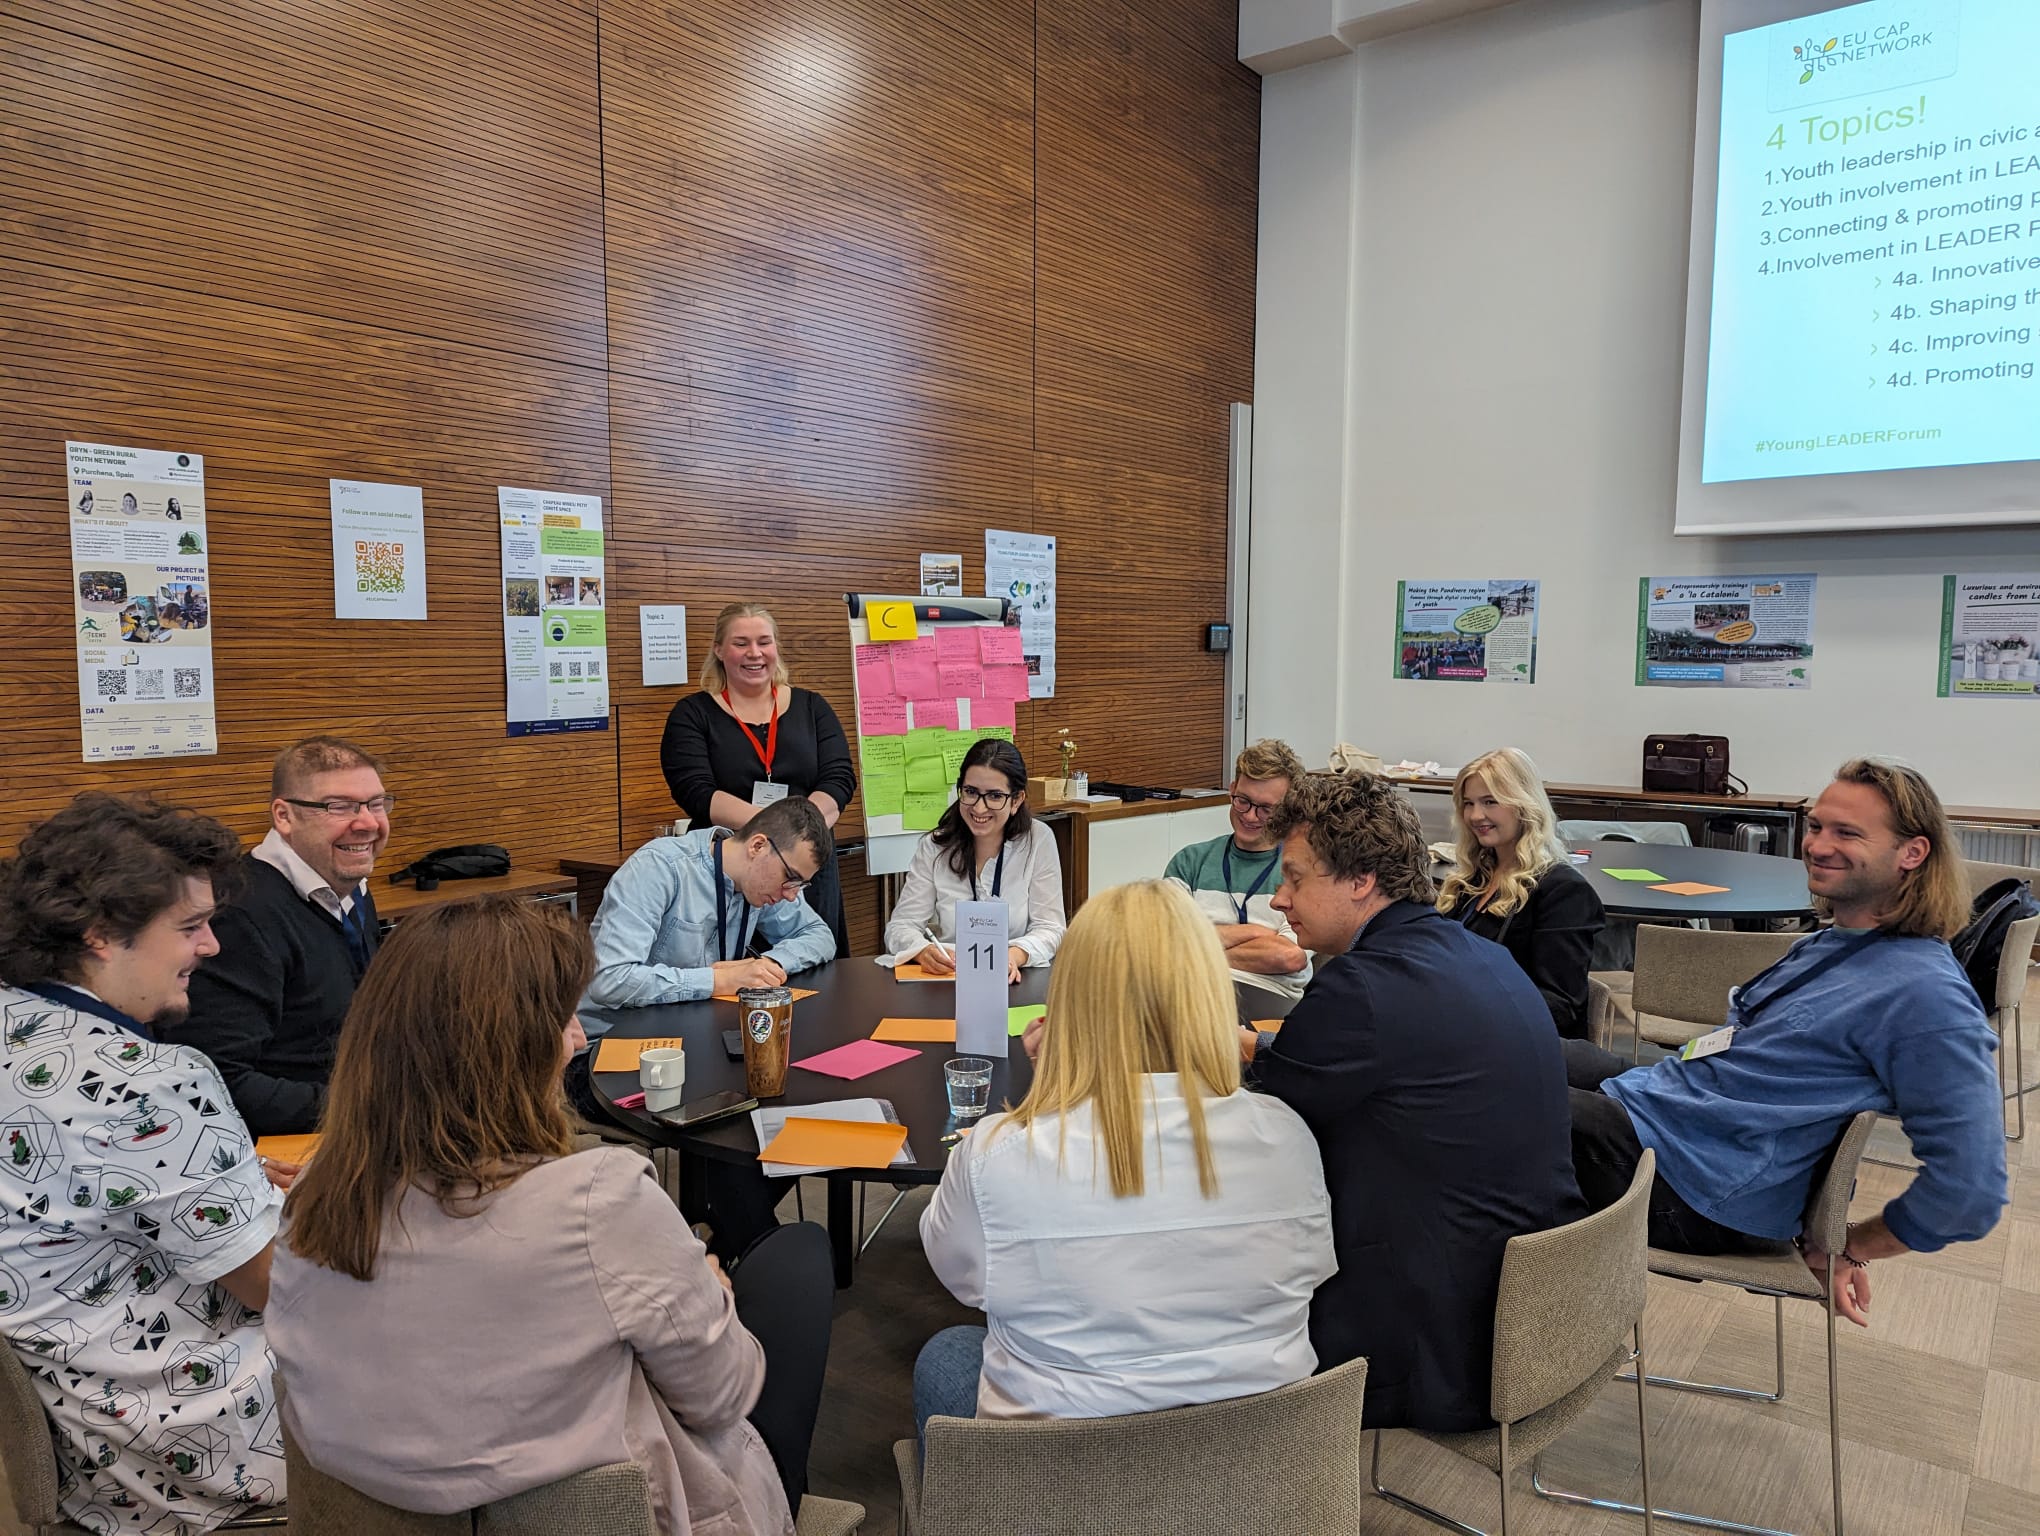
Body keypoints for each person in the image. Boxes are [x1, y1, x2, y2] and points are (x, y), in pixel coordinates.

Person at [267, 897, 833, 1532]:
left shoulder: (313, 1197)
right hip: (609, 1507)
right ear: (507, 1050)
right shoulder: (598, 1201)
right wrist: (709, 1291)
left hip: (375, 1503)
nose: (580, 1038)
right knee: (797, 1260)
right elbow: (721, 1396)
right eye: (564, 1019)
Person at [1566, 758, 2007, 1326]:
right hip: (1670, 1112)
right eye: (1818, 827)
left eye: (1848, 833)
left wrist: (1851, 1244)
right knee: (1509, 1051)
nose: (1819, 845)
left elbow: (1971, 1190)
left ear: (1912, 854)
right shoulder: (1838, 942)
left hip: (1690, 1183)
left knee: (1469, 1105)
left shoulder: (1927, 997)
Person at [914, 880, 1334, 1440]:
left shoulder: (996, 1154)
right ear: (1210, 993)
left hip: (1066, 1477)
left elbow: (959, 1277)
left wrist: (1055, 1089)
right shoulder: (1288, 1136)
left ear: (1071, 999)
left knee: (950, 1353)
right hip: (1257, 1469)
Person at [1244, 769, 1582, 1433]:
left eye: (1296, 877)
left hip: (1438, 1342)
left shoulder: (1359, 991)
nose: (1280, 900)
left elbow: (1261, 1125)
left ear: (1361, 880)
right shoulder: (1473, 953)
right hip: (1532, 1306)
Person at [0, 793, 289, 1532]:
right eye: (190, 927)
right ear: (100, 933)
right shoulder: (149, 1079)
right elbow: (278, 1288)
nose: (212, 948)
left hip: (74, 1414)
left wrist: (238, 1184)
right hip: (186, 1439)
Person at [168, 737, 389, 1135]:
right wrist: (373, 1110)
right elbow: (218, 1082)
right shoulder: (239, 917)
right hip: (302, 1139)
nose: (368, 823)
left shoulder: (348, 886)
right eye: (338, 807)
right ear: (284, 817)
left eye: (376, 804)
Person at [662, 604, 857, 957]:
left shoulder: (813, 707)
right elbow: (696, 791)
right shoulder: (692, 714)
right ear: (719, 650)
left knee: (813, 966)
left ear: (776, 647)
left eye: (764, 642)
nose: (754, 653)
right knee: (731, 972)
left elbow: (839, 778)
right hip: (729, 869)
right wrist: (774, 831)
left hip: (807, 866)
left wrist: (800, 834)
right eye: (741, 643)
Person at [586, 795, 836, 1009]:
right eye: (790, 877)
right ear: (757, 846)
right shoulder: (658, 868)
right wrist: (719, 981)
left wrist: (768, 965)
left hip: (699, 1024)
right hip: (616, 1034)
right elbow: (608, 979)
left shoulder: (766, 883)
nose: (792, 895)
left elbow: (819, 935)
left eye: (799, 884)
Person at [1435, 747, 1605, 1037]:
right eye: (1468, 804)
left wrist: (1467, 1014)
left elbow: (1560, 1005)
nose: (1476, 815)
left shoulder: (1564, 891)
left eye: (1490, 802)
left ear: (1524, 804)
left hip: (1516, 1045)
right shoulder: (1471, 881)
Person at [883, 739, 1064, 983]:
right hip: (949, 981)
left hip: (1013, 981)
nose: (979, 808)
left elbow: (1051, 929)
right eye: (970, 792)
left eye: (995, 796)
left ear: (1017, 800)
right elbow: (900, 927)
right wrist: (923, 952)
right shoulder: (935, 847)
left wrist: (1014, 955)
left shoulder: (1037, 840)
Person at [1163, 738, 1312, 1019]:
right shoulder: (1189, 862)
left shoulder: (1303, 871)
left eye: (1266, 809)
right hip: (1191, 1002)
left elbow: (1289, 956)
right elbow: (1166, 945)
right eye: (1242, 801)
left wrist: (1196, 949)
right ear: (1232, 790)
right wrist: (1259, 934)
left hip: (1272, 1005)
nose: (1251, 816)